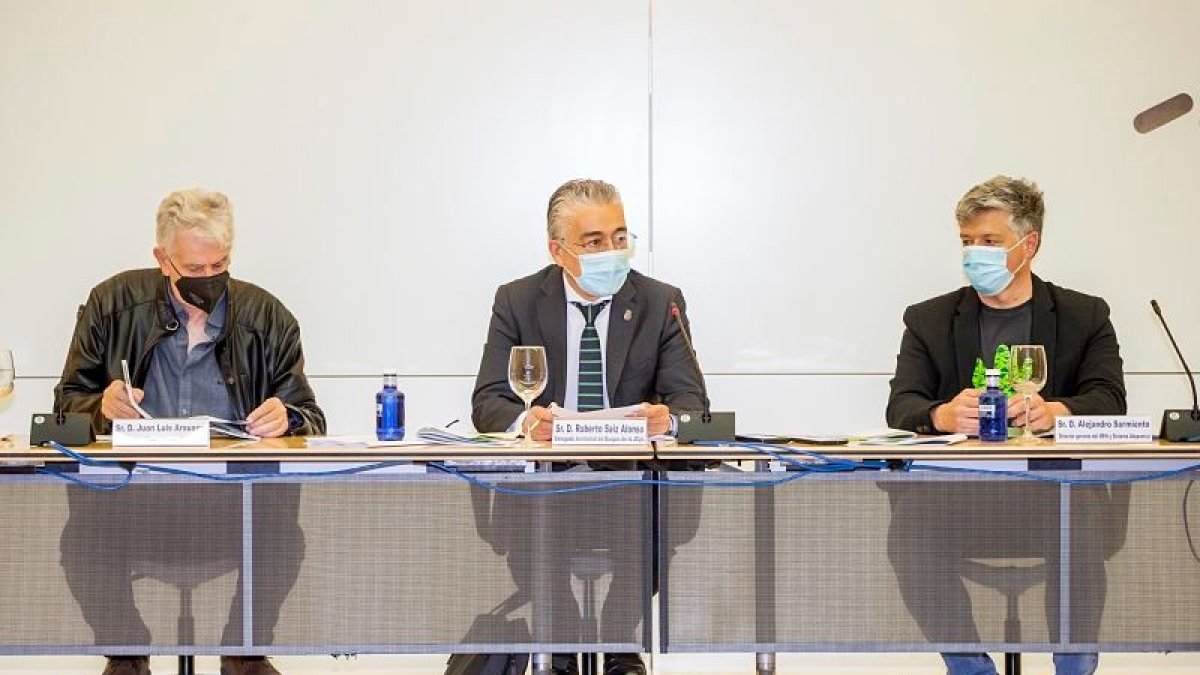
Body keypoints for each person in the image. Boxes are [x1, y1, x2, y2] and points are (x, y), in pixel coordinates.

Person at [54, 188, 325, 675]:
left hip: (233, 507)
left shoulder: (267, 317)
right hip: (131, 504)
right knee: (81, 540)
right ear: (163, 259)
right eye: (194, 269)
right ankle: (126, 654)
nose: (208, 280)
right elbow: (64, 408)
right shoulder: (111, 304)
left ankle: (243, 654)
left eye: (219, 265)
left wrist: (287, 417)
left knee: (284, 537)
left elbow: (311, 415)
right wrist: (100, 408)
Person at [885, 175, 1127, 675]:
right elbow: (902, 404)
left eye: (990, 241)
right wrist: (940, 414)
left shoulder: (1084, 315)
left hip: (1054, 495)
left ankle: (1074, 669)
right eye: (966, 241)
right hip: (958, 499)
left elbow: (1110, 399)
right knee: (908, 534)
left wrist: (1057, 412)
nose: (975, 253)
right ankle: (971, 668)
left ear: (1028, 244)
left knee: (1080, 529)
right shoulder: (928, 319)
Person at [470, 178, 707, 675]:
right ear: (558, 251)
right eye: (594, 242)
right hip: (547, 484)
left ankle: (618, 642)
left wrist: (668, 419)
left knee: (649, 517)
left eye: (619, 238)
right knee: (533, 519)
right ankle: (561, 646)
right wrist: (528, 421)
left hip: (629, 484)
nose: (611, 252)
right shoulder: (517, 300)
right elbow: (488, 403)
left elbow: (696, 409)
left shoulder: (661, 302)